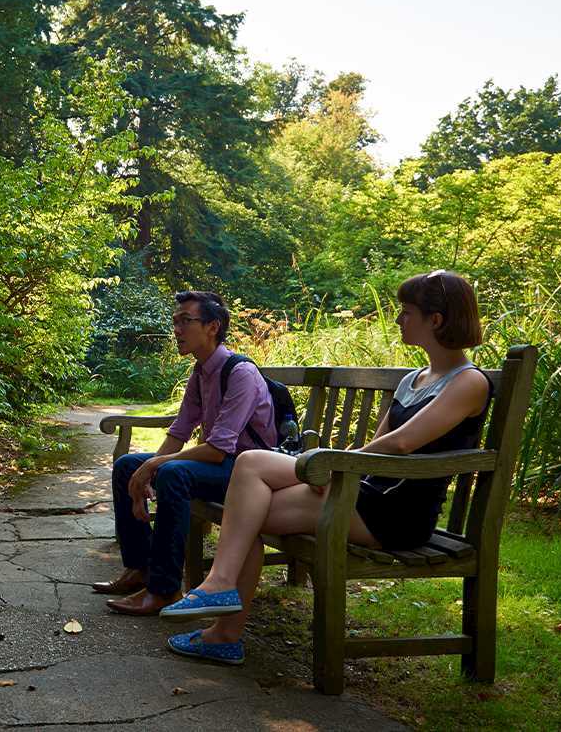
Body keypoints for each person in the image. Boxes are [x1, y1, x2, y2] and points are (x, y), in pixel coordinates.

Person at [159, 270, 492, 665]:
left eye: (406, 312)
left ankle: (224, 627)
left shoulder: (468, 382)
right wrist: (340, 467)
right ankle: (221, 599)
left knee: (250, 506)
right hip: (364, 493)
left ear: (435, 320)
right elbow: (381, 443)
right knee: (249, 467)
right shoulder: (414, 379)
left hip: (396, 513)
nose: (400, 319)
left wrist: (336, 467)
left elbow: (402, 443)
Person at [92, 291, 278, 616]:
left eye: (185, 321)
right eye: (175, 322)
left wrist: (155, 464)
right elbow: (179, 432)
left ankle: (165, 589)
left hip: (251, 474)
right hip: (225, 465)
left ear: (212, 327)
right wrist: (146, 468)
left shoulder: (240, 373)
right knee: (126, 466)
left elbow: (219, 450)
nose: (176, 329)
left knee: (173, 473)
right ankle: (141, 568)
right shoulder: (201, 372)